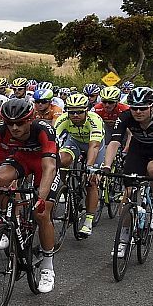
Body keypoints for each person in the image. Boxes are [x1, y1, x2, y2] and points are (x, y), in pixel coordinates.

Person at [0, 96, 60, 293]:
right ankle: (6, 221)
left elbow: (49, 168)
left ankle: (48, 266)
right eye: (10, 123)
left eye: (20, 123)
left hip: (45, 164)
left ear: (30, 120)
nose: (14, 128)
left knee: (41, 214)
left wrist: (41, 198)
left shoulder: (44, 130)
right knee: (1, 178)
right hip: (22, 159)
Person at [100, 86, 153, 240]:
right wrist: (107, 166)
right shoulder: (125, 116)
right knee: (128, 193)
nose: (138, 112)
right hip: (138, 149)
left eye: (143, 108)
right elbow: (114, 143)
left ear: (152, 106)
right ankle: (123, 236)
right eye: (134, 108)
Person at [52, 92, 105, 237]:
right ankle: (62, 185)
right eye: (71, 111)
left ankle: (88, 221)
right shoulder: (63, 119)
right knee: (62, 160)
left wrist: (90, 168)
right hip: (74, 141)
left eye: (79, 112)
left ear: (86, 110)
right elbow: (53, 142)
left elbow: (94, 146)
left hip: (94, 145)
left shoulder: (94, 120)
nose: (75, 115)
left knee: (92, 181)